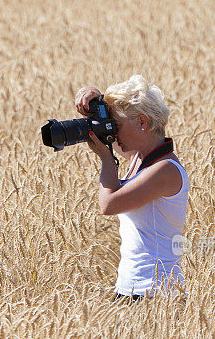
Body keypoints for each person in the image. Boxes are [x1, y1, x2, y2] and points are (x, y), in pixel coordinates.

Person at [75, 75, 190, 303]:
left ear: (142, 122)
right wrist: (95, 103)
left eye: (116, 126)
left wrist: (106, 159)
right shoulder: (139, 158)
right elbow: (109, 139)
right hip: (131, 288)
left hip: (155, 294)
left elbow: (109, 204)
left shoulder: (164, 170)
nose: (113, 133)